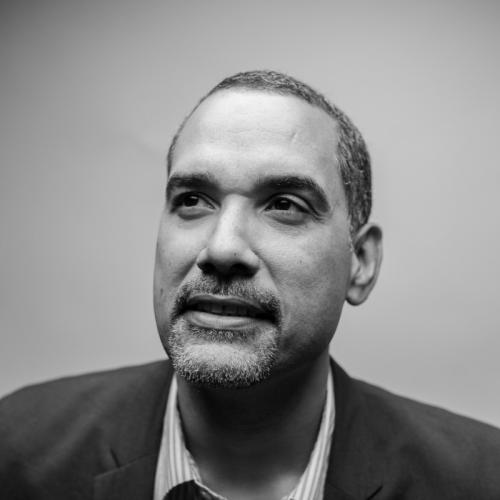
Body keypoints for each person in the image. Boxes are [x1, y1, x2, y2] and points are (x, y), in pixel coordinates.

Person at [1, 70, 500, 500]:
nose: (222, 249)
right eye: (192, 199)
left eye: (284, 205)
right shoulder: (17, 449)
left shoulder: (481, 481)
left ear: (361, 263)